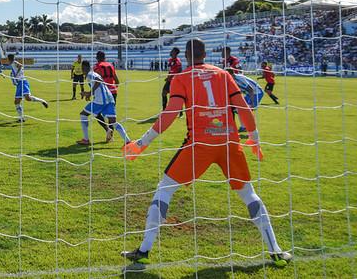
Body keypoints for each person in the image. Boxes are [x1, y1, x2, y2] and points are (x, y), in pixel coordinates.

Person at [122, 39, 291, 268]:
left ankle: (143, 250)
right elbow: (243, 106)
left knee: (165, 189)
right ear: (205, 53)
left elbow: (170, 113)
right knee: (248, 194)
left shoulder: (181, 77)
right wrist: (254, 138)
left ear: (187, 55)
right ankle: (277, 252)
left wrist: (141, 143)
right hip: (229, 143)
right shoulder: (223, 74)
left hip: (199, 145)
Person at [76, 60, 130, 146]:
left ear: (83, 68)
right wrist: (89, 94)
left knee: (83, 114)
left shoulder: (89, 75)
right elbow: (99, 81)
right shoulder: (94, 73)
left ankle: (86, 139)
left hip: (100, 101)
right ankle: (127, 141)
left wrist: (90, 93)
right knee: (113, 122)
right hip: (109, 99)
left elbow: (98, 80)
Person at [6, 54, 48, 123]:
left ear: (9, 59)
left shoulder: (14, 62)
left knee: (27, 98)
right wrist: (14, 80)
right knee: (16, 101)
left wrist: (16, 74)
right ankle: (21, 118)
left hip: (23, 82)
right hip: (19, 84)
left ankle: (43, 101)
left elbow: (20, 65)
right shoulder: (12, 65)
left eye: (7, 59)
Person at [161, 47, 183, 117]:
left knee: (175, 97)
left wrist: (170, 77)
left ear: (175, 53)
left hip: (175, 81)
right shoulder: (170, 60)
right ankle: (164, 110)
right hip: (169, 80)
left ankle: (181, 112)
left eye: (172, 51)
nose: (170, 52)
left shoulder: (178, 62)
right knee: (164, 93)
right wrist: (168, 77)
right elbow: (170, 70)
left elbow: (178, 72)